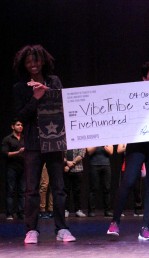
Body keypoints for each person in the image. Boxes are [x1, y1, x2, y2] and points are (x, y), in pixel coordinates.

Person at [12, 44, 75, 243]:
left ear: (43, 61)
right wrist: (36, 98)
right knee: (32, 189)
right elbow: (21, 115)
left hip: (54, 141)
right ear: (24, 64)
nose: (33, 64)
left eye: (36, 60)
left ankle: (62, 228)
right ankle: (32, 229)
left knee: (58, 187)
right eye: (29, 61)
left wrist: (51, 94)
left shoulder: (54, 81)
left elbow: (66, 105)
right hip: (32, 143)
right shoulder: (20, 87)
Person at [107, 61, 149, 241]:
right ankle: (115, 221)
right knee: (128, 181)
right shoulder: (133, 95)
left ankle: (145, 227)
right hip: (137, 143)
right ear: (144, 79)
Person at [2, 119, 25, 220]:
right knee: (10, 191)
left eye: (21, 125)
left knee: (22, 191)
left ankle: (21, 213)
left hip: (23, 167)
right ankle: (9, 213)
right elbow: (5, 154)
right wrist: (18, 152)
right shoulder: (8, 139)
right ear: (13, 126)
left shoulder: (25, 138)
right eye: (18, 125)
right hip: (12, 168)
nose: (20, 126)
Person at [86, 145, 113, 217]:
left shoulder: (107, 137)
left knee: (107, 188)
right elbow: (89, 152)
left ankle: (107, 211)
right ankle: (91, 211)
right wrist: (97, 144)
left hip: (106, 165)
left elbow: (111, 152)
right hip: (94, 165)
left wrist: (103, 144)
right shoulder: (92, 138)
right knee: (93, 188)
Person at [63, 148, 87, 218]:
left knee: (77, 191)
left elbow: (81, 154)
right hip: (65, 169)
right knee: (66, 191)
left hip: (77, 169)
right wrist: (67, 163)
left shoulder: (78, 141)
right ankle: (65, 210)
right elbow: (61, 155)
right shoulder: (64, 140)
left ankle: (78, 210)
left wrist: (72, 163)